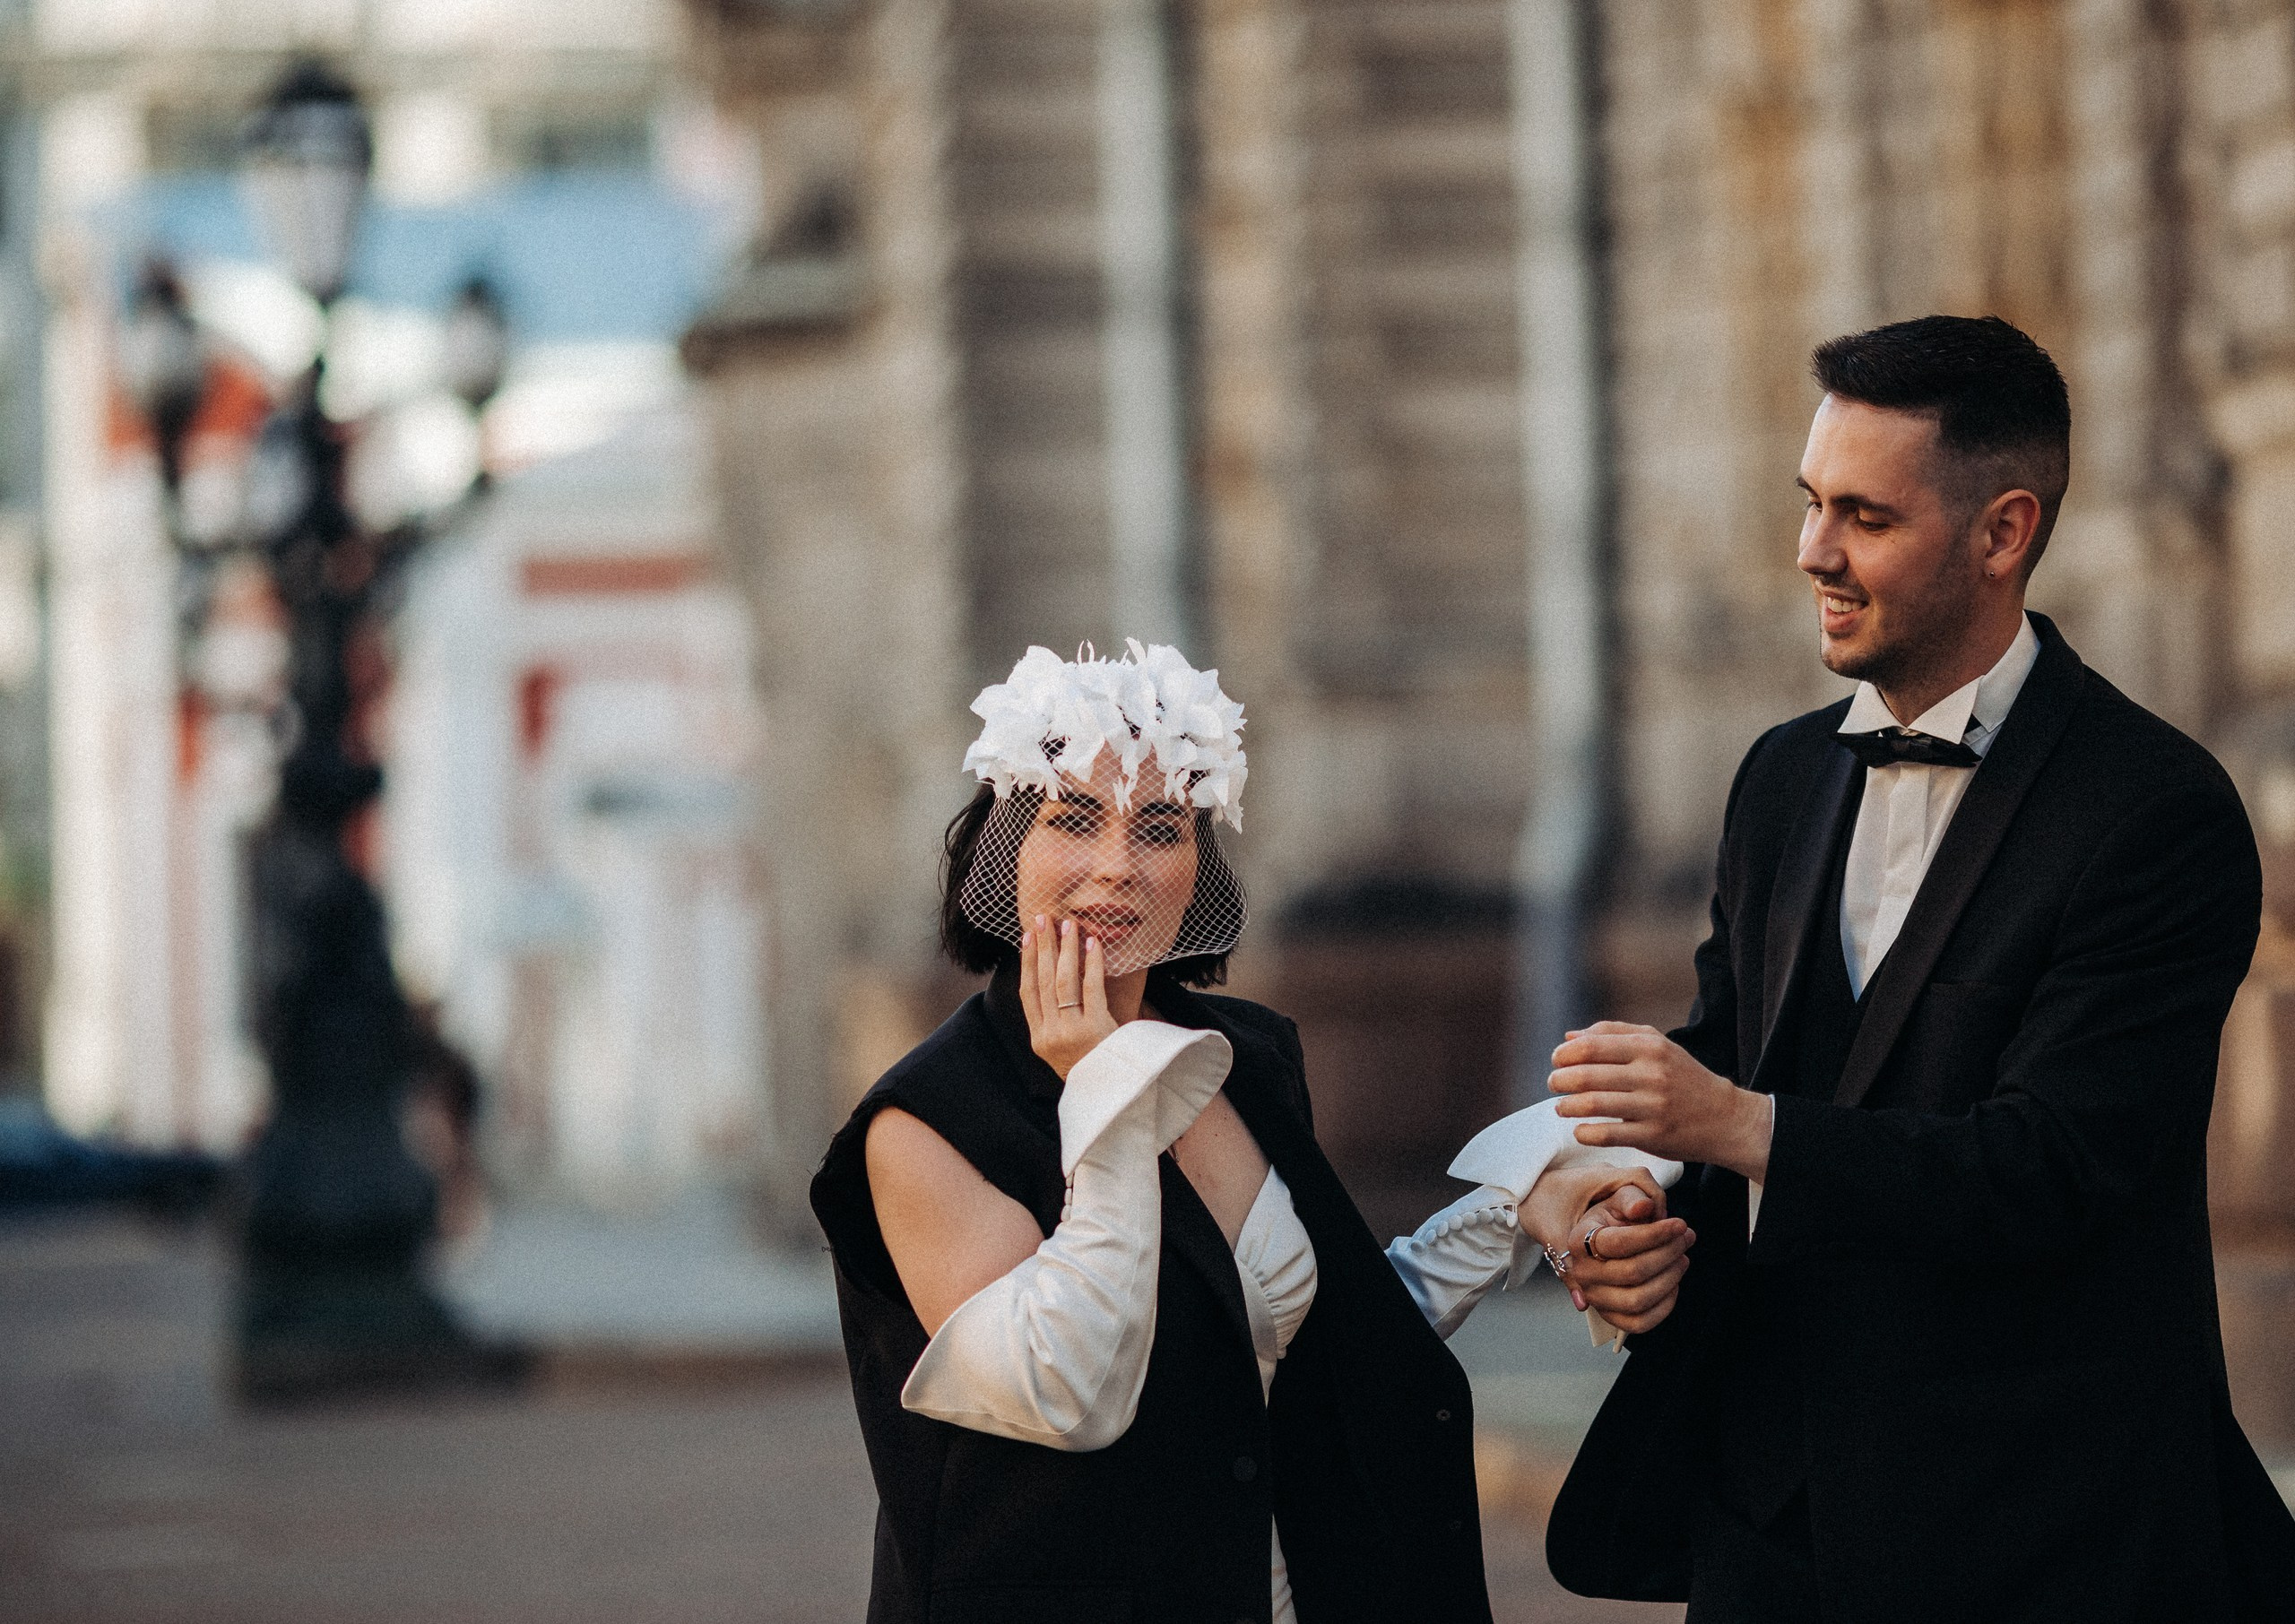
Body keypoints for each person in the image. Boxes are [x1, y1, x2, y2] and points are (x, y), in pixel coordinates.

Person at [1541, 315, 2295, 1620]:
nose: (1811, 553)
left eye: (1864, 518)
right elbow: (1730, 1049)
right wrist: (1608, 1201)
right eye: (1810, 504)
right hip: (1762, 1523)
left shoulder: (2157, 812)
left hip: (2043, 1539)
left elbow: (2054, 1169)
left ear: (2003, 533)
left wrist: (1741, 1126)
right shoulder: (1781, 777)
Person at [811, 642, 1693, 1624]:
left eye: (1159, 827)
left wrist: (1513, 1208)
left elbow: (1310, 1335)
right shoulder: (925, 1118)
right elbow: (1070, 1390)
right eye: (1071, 819)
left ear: (1199, 860)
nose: (1116, 868)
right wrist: (1104, 1089)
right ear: (1000, 848)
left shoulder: (1245, 1054)